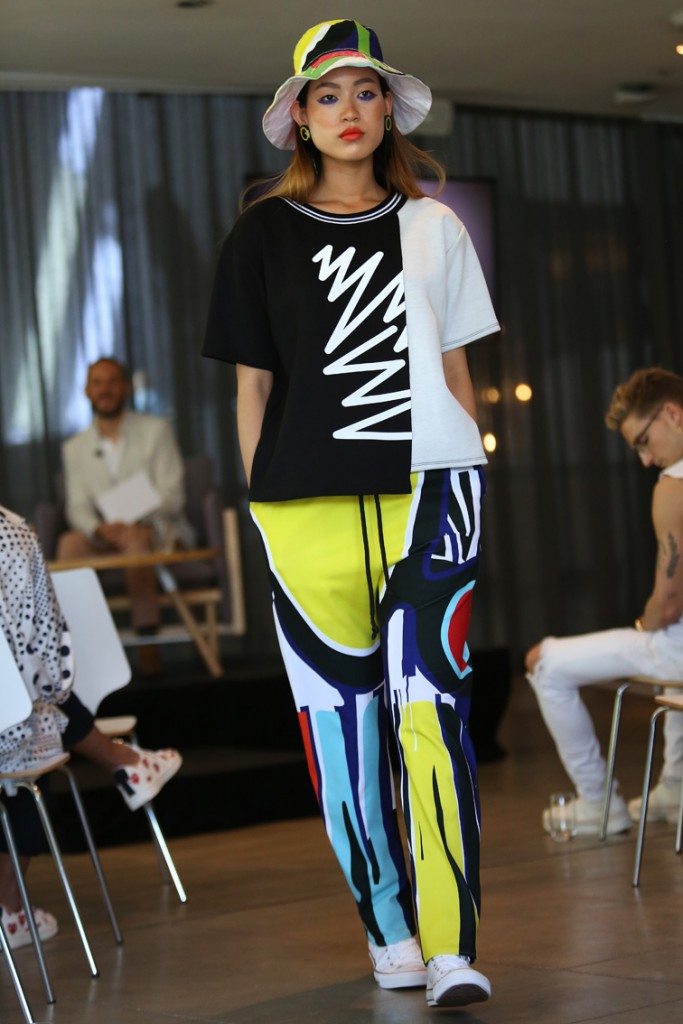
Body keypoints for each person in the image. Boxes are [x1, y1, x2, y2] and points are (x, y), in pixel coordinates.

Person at [203, 19, 499, 1008]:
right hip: (302, 513)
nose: (348, 111)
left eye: (365, 91)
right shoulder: (259, 234)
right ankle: (389, 928)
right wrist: (263, 512)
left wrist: (472, 476)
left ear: (387, 109)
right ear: (298, 116)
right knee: (342, 734)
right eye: (326, 95)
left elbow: (456, 371)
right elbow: (251, 391)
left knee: (433, 715)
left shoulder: (435, 227)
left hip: (432, 493)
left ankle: (453, 946)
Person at [0, 505, 182, 949]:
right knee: (38, 719)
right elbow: (44, 649)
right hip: (10, 732)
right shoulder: (12, 533)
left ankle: (124, 762)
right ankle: (8, 910)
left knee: (38, 713)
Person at [526, 368, 683, 836]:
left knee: (543, 663)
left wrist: (645, 624)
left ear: (672, 414)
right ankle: (676, 786)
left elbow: (669, 604)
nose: (645, 459)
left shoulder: (673, 487)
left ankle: (598, 803)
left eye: (643, 442)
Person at [57, 356, 194, 671]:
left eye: (112, 381)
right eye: (97, 383)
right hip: (104, 536)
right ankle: (76, 651)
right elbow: (76, 506)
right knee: (69, 544)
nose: (105, 390)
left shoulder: (156, 430)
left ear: (126, 388)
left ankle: (148, 647)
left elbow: (173, 495)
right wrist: (97, 529)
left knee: (135, 541)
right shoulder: (74, 448)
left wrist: (132, 519)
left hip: (155, 529)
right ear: (87, 391)